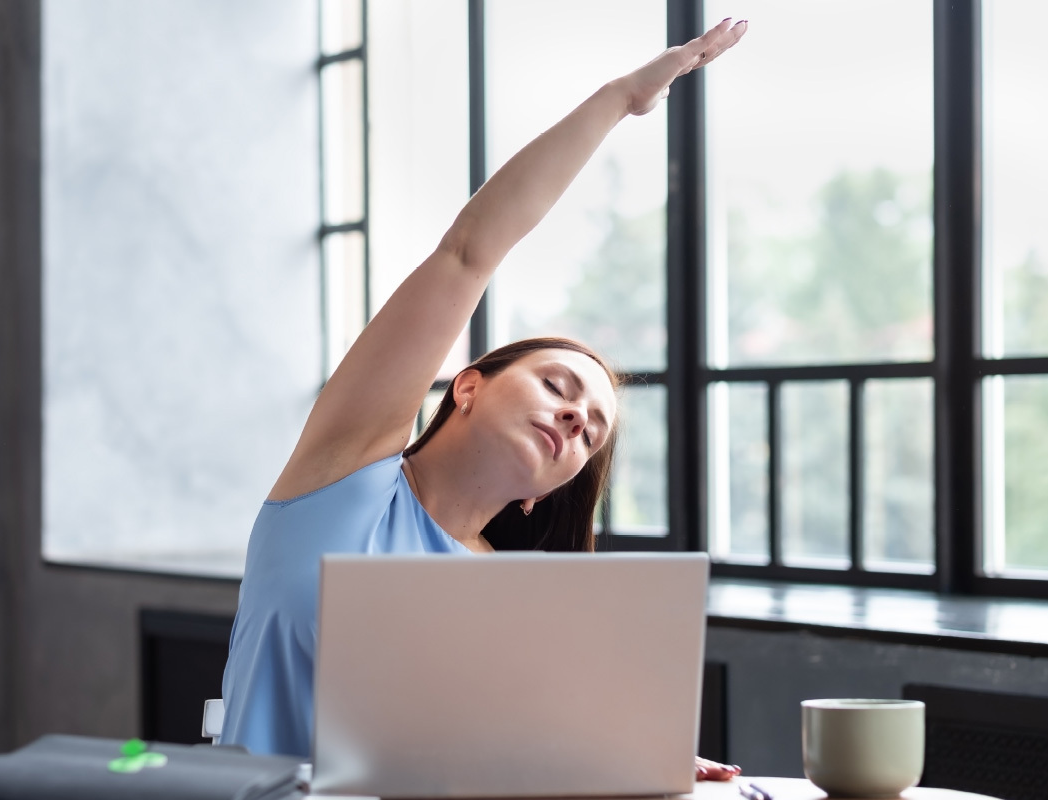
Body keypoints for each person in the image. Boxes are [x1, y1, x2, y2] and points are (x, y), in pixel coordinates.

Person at [221, 17, 749, 780]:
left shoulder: (514, 600)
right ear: (467, 386)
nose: (575, 418)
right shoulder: (343, 480)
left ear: (550, 493)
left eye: (591, 432)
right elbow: (470, 251)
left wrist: (629, 760)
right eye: (557, 387)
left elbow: (510, 763)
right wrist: (621, 100)